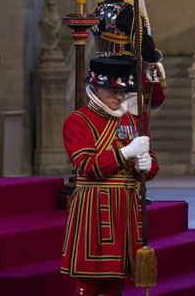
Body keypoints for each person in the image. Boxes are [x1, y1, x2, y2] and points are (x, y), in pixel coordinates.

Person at [61, 57, 159, 296]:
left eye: (122, 92)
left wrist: (146, 165)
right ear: (95, 88)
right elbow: (88, 167)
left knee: (116, 279)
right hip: (95, 206)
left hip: (125, 206)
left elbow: (150, 164)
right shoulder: (78, 121)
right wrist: (125, 153)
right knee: (91, 278)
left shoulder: (131, 120)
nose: (119, 98)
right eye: (113, 91)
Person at [91, 0, 165, 113]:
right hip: (127, 81)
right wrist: (156, 59)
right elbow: (146, 51)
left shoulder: (100, 8)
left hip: (101, 80)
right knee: (129, 129)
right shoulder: (131, 11)